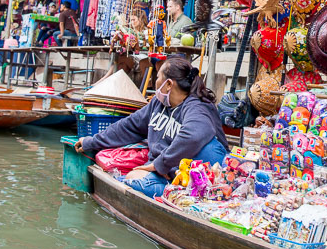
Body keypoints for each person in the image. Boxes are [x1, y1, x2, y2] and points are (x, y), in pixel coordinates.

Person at [75, 56, 228, 198]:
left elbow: (193, 135)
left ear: (168, 84)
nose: (155, 81)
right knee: (132, 178)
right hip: (164, 172)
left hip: (192, 175)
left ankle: (182, 193)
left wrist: (158, 164)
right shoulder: (158, 103)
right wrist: (92, 141)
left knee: (135, 181)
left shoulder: (198, 107)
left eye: (157, 77)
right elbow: (129, 126)